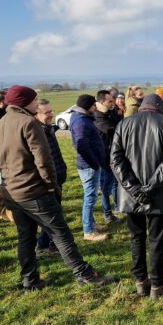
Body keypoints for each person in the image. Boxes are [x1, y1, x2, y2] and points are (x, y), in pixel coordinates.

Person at [0, 85, 112, 291]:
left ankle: (30, 280)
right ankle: (85, 275)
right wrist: (51, 186)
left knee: (25, 237)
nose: (36, 103)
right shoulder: (29, 123)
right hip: (34, 191)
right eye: (33, 100)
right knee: (61, 234)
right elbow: (44, 160)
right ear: (23, 102)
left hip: (11, 191)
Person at [110, 94, 163, 300]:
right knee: (157, 240)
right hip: (159, 192)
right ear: (160, 107)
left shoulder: (124, 124)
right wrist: (148, 189)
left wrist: (135, 189)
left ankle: (141, 282)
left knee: (136, 238)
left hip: (132, 194)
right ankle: (157, 285)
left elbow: (115, 160)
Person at [70, 94, 108, 240]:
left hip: (90, 165)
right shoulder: (81, 122)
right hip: (88, 166)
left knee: (91, 196)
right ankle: (88, 231)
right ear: (87, 106)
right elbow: (81, 146)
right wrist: (94, 163)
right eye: (93, 105)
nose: (95, 108)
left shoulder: (83, 118)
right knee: (90, 198)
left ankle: (91, 225)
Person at [34, 99, 67, 256]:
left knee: (55, 213)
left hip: (57, 176)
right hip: (48, 181)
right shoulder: (36, 133)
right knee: (52, 216)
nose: (50, 114)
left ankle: (48, 244)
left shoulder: (48, 129)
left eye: (51, 111)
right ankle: (44, 245)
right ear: (36, 115)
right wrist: (49, 181)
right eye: (46, 112)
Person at [93, 90, 121, 224]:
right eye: (110, 101)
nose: (113, 103)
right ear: (101, 102)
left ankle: (118, 207)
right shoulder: (97, 117)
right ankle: (107, 214)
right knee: (106, 188)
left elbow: (119, 124)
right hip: (104, 158)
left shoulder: (111, 112)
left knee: (116, 183)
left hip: (113, 155)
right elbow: (113, 130)